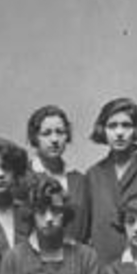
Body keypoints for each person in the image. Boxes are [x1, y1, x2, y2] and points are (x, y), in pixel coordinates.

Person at [86, 98, 137, 264]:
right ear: (102, 130)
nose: (119, 133)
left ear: (136, 129)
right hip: (103, 265)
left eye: (126, 125)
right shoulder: (93, 174)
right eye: (112, 126)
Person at [26, 104, 90, 243]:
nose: (54, 139)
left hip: (77, 260)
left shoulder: (80, 180)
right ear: (35, 137)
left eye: (60, 132)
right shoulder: (24, 177)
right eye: (46, 133)